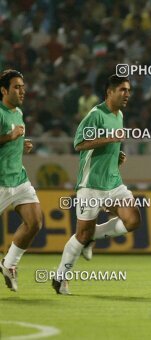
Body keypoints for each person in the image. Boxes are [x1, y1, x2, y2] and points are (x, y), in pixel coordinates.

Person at [52, 75, 140, 295]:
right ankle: (60, 277)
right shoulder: (95, 115)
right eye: (122, 90)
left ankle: (93, 236)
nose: (127, 94)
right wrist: (110, 139)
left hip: (113, 182)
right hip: (91, 184)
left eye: (128, 90)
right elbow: (79, 144)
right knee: (82, 235)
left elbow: (106, 146)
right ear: (109, 92)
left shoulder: (119, 115)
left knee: (133, 219)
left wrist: (116, 155)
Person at [0, 69, 43, 292]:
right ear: (3, 90)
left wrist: (20, 145)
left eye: (23, 87)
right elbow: (7, 137)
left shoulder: (18, 112)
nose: (22, 91)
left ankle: (9, 264)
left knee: (35, 221)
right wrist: (10, 137)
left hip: (19, 179)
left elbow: (11, 142)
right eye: (16, 87)